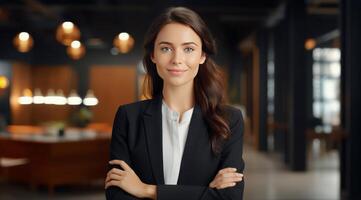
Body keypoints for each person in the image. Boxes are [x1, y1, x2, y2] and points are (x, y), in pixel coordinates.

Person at [105, 6, 245, 200]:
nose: (177, 59)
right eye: (166, 48)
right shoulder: (128, 118)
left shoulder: (229, 120)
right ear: (153, 55)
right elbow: (117, 194)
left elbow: (229, 197)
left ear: (202, 55)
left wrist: (147, 190)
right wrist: (206, 192)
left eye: (188, 49)